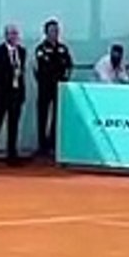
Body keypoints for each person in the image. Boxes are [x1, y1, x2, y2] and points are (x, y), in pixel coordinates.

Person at [0, 24, 27, 167]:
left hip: (16, 93)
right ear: (6, 35)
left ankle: (12, 156)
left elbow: (21, 73)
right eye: (11, 34)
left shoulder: (21, 52)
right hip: (2, 95)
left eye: (16, 34)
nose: (14, 36)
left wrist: (21, 92)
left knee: (13, 126)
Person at [33, 19, 73, 159]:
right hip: (45, 88)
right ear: (46, 33)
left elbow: (68, 65)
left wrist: (65, 78)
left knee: (57, 117)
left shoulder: (63, 48)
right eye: (51, 31)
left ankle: (53, 145)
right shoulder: (41, 49)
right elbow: (40, 68)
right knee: (42, 116)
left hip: (59, 88)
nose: (54, 33)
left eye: (56, 31)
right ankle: (42, 146)